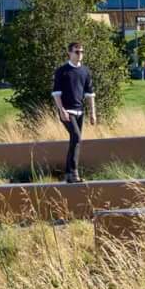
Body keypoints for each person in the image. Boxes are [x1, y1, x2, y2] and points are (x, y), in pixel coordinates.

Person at [52, 41, 96, 183]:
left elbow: (90, 95)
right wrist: (62, 110)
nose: (80, 54)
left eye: (82, 52)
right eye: (77, 52)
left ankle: (68, 174)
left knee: (75, 141)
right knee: (76, 137)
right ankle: (74, 173)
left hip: (79, 112)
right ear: (69, 53)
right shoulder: (62, 71)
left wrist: (92, 113)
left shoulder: (85, 71)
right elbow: (56, 94)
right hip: (66, 111)